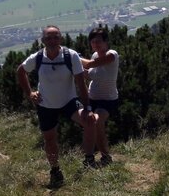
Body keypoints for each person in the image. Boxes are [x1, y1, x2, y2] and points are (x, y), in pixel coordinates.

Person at [17, 25, 97, 187]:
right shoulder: (38, 57)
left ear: (61, 38)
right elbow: (20, 71)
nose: (52, 40)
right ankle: (55, 170)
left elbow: (81, 83)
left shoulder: (70, 55)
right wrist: (30, 93)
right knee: (50, 139)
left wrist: (88, 109)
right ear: (43, 40)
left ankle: (89, 159)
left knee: (90, 121)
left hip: (69, 102)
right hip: (46, 105)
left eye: (55, 37)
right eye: (48, 38)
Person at [80, 26, 120, 167]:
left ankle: (103, 156)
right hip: (93, 98)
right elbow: (90, 74)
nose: (95, 44)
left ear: (106, 42)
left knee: (96, 122)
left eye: (98, 41)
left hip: (108, 100)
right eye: (93, 42)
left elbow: (90, 65)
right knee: (93, 125)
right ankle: (98, 156)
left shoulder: (112, 55)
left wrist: (74, 58)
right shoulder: (94, 56)